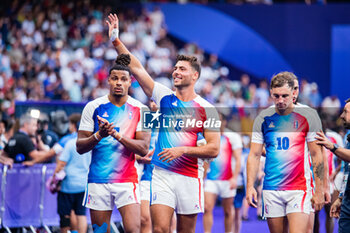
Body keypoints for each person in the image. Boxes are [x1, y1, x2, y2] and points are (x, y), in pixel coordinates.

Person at [107, 13, 220, 233]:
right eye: (175, 68)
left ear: (195, 76)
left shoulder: (208, 109)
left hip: (189, 176)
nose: (176, 72)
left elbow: (214, 149)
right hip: (162, 174)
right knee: (158, 229)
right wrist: (116, 42)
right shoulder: (164, 97)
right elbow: (137, 68)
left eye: (182, 69)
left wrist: (182, 150)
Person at [76, 55, 151, 233]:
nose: (118, 82)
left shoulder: (143, 109)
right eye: (115, 78)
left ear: (130, 82)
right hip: (98, 180)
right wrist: (99, 135)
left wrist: (117, 136)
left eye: (123, 79)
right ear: (108, 80)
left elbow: (143, 147)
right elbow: (79, 147)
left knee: (134, 229)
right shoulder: (92, 107)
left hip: (128, 180)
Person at [246, 71, 325, 233]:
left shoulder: (308, 115)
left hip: (299, 189)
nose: (280, 100)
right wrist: (250, 186)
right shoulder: (263, 118)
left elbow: (317, 154)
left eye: (284, 96)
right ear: (270, 93)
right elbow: (254, 155)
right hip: (271, 189)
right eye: (276, 96)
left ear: (294, 93)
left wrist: (320, 189)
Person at [315, 98, 350, 233]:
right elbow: (347, 171)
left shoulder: (335, 138)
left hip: (330, 183)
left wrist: (332, 147)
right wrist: (341, 197)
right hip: (346, 201)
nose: (341, 116)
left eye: (345, 112)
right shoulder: (348, 138)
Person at [203, 114, 242, 233]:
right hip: (211, 179)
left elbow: (238, 159)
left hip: (227, 179)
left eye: (219, 121)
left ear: (224, 122)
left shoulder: (232, 137)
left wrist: (235, 178)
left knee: (228, 211)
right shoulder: (207, 137)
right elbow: (205, 159)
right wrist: (202, 178)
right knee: (207, 208)